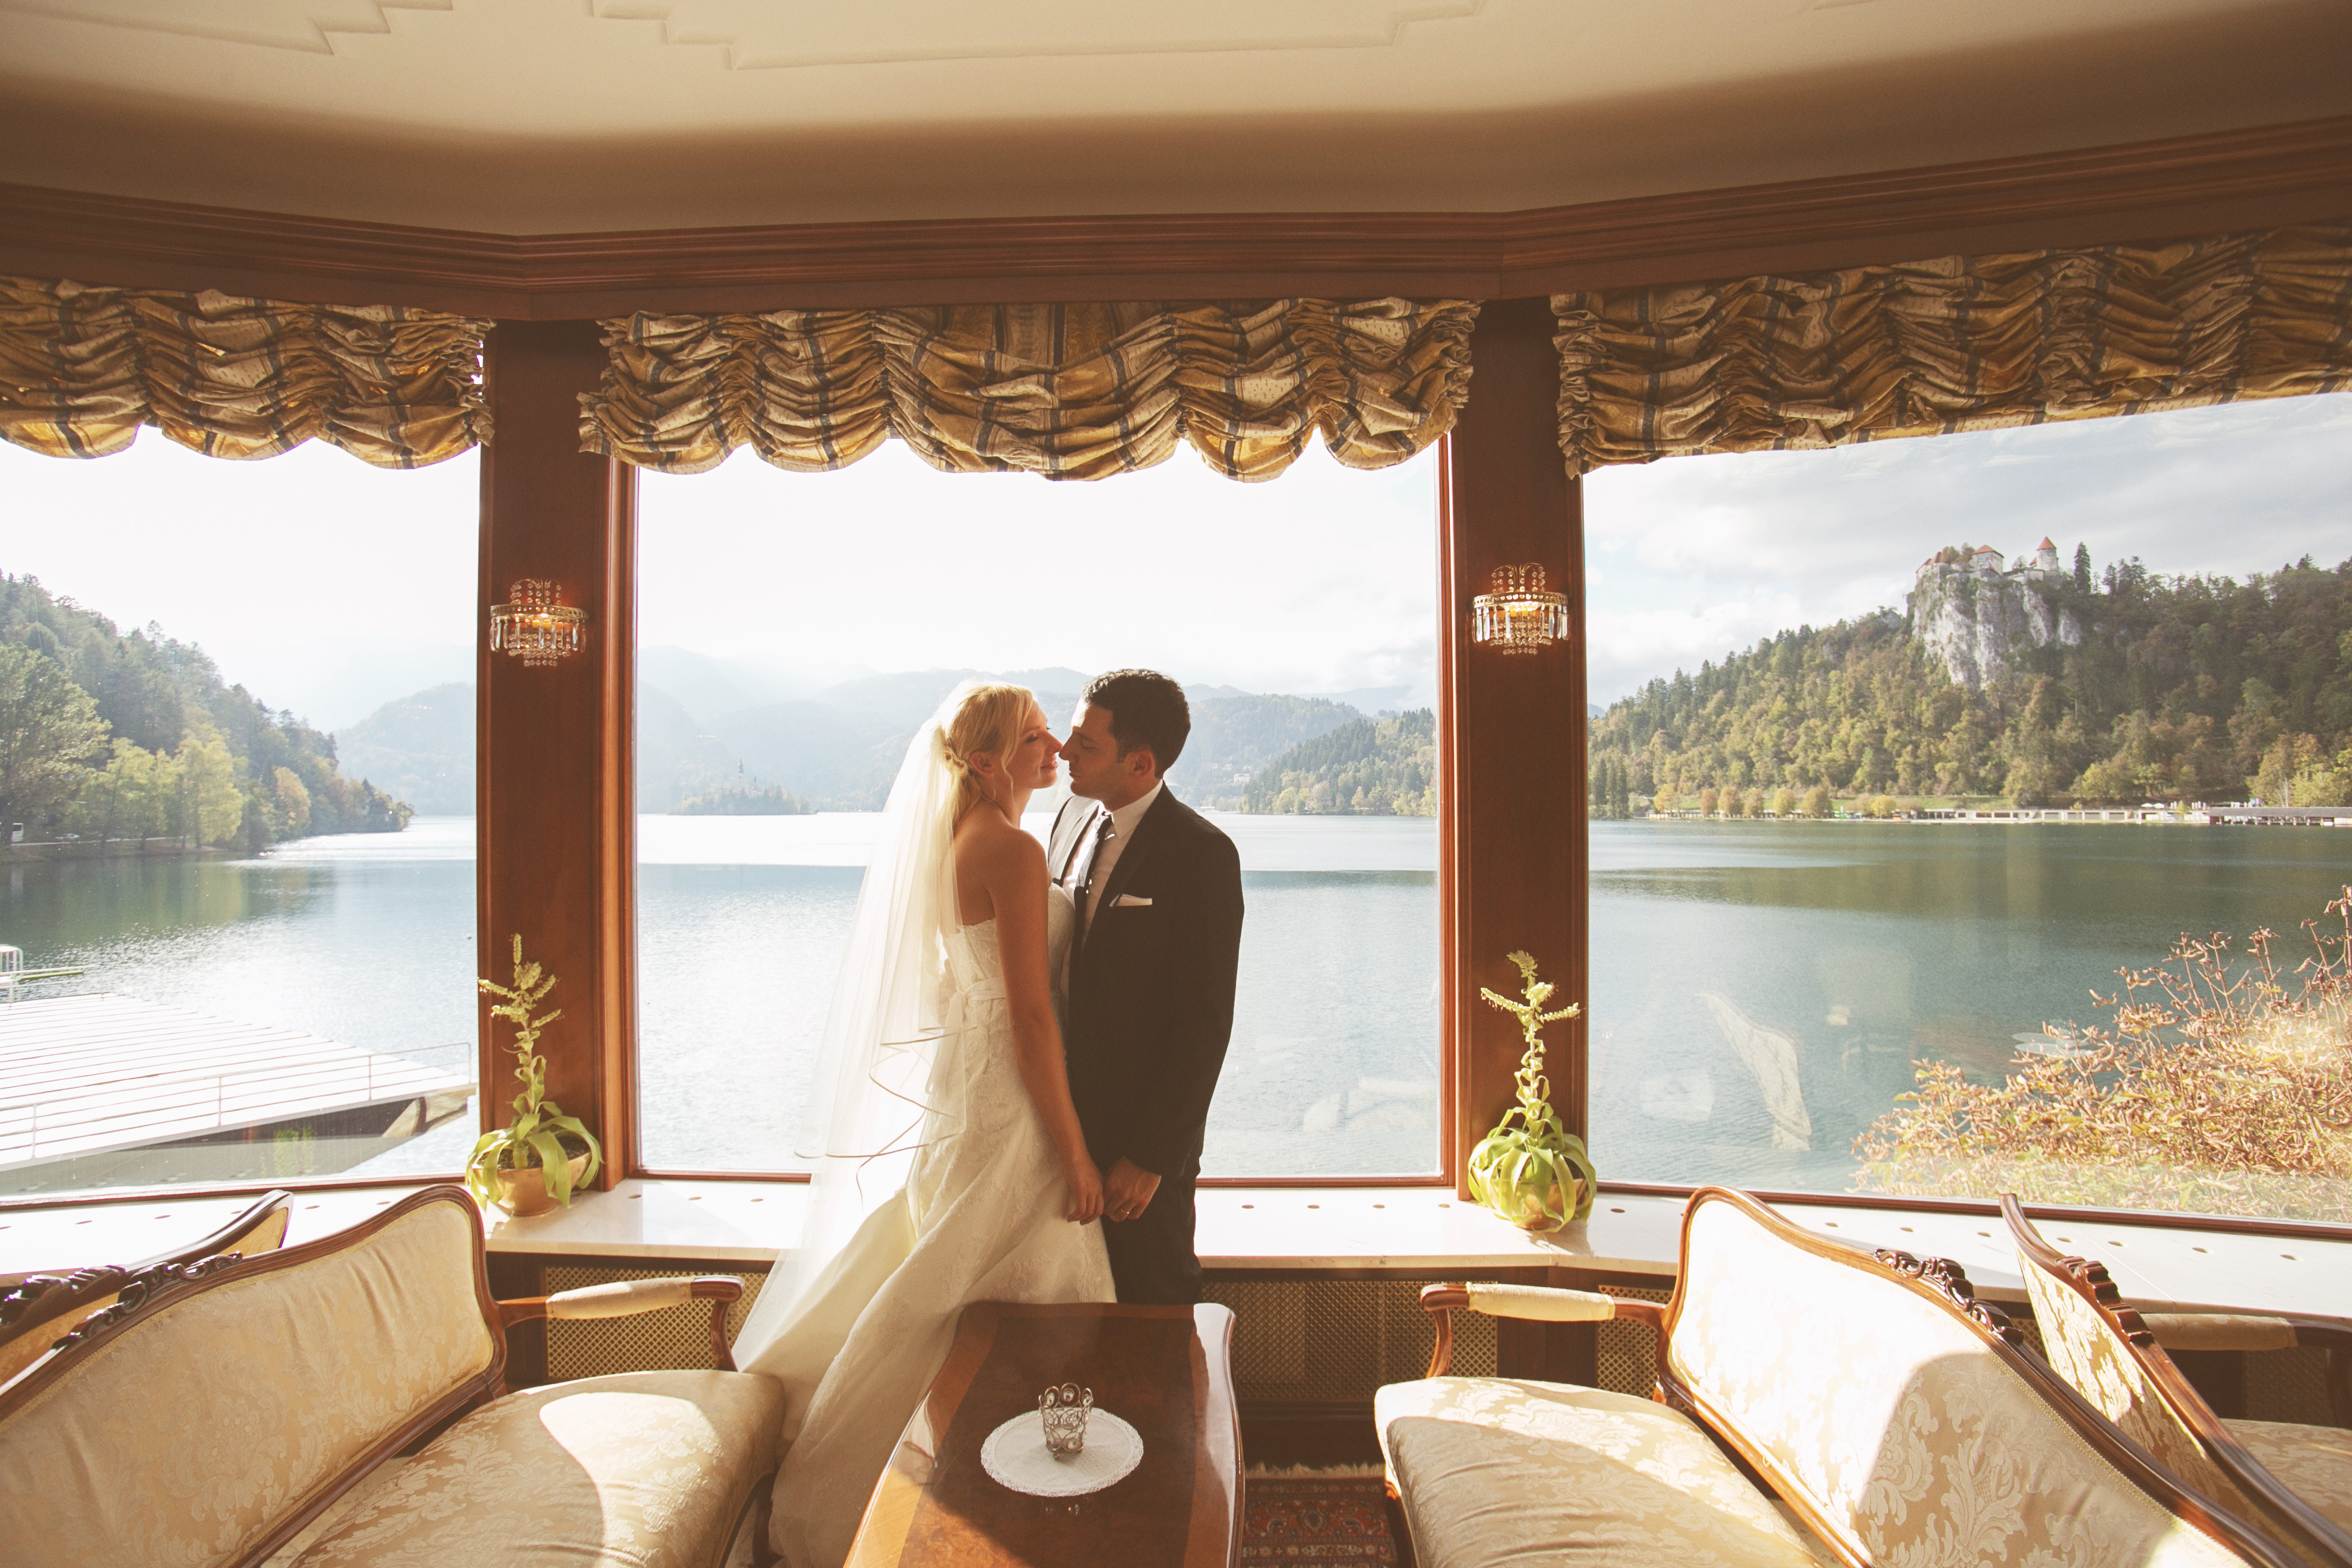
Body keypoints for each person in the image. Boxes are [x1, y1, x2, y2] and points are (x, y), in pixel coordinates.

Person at [731, 681, 1114, 1568]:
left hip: (969, 1083)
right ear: (985, 760)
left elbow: (970, 988)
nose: (1055, 748)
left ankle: (973, 1494)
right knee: (1001, 1292)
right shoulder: (1009, 848)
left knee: (956, 1279)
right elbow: (1030, 1018)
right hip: (1011, 1100)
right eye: (1035, 737)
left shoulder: (957, 839)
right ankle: (1003, 1493)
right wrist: (1074, 1151)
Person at [1049, 669, 1246, 1305]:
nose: (1064, 751)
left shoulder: (1202, 854)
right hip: (1053, 1130)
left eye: (1086, 744)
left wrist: (1153, 1156)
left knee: (1151, 1303)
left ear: (1140, 763)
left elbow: (1205, 1023)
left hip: (1135, 1148)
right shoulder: (1070, 819)